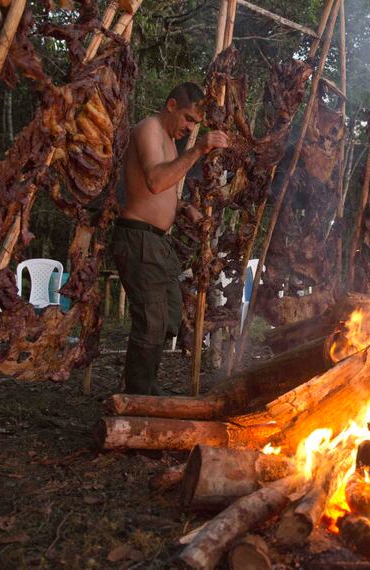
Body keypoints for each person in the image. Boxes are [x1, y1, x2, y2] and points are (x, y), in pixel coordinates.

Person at [111, 82, 229, 395]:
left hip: (157, 242)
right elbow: (154, 181)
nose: (190, 127)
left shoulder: (168, 139)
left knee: (170, 314)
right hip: (137, 238)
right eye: (189, 118)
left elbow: (161, 193)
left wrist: (185, 208)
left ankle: (144, 385)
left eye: (196, 124)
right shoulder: (149, 128)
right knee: (151, 320)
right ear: (172, 104)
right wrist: (198, 149)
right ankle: (138, 396)